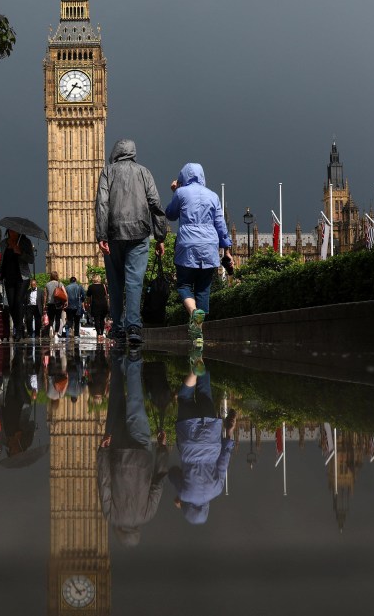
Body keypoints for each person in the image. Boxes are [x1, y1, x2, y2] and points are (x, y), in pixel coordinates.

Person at [95, 139, 167, 345]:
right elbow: (155, 203)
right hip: (139, 234)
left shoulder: (108, 171)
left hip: (113, 234)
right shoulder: (144, 172)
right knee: (135, 282)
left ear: (116, 153)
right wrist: (160, 236)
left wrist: (101, 235)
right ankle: (134, 327)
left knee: (116, 283)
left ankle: (118, 329)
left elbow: (102, 204)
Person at [96, 347, 169, 547]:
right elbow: (104, 482)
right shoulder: (112, 517)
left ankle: (134, 360)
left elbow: (158, 483)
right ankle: (118, 360)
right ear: (120, 533)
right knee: (118, 402)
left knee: (136, 403)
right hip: (118, 454)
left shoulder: (147, 515)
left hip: (142, 455)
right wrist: (102, 452)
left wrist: (162, 449)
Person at [165, 163, 232, 346]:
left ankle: (193, 313)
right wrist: (227, 250)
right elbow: (221, 225)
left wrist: (175, 191)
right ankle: (199, 334)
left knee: (184, 285)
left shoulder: (181, 193)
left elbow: (170, 215)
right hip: (210, 246)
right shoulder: (213, 196)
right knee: (203, 289)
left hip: (187, 244)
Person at [168, 359, 237, 525]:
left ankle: (201, 359)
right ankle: (194, 370)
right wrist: (180, 498)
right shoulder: (185, 494)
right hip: (189, 436)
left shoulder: (217, 490)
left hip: (211, 434)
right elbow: (172, 472)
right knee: (185, 398)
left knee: (205, 393)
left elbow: (224, 461)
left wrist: (229, 433)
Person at [0, 228, 35, 341]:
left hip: (22, 278)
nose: (13, 233)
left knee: (18, 301)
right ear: (8, 232)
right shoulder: (4, 243)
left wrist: (20, 252)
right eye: (11, 231)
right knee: (11, 304)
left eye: (15, 231)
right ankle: (20, 326)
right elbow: (1, 260)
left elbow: (31, 259)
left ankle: (18, 329)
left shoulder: (25, 242)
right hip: (8, 277)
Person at [85, 274, 109, 340]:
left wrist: (88, 304)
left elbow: (88, 297)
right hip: (103, 304)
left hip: (95, 305)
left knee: (96, 320)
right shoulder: (104, 286)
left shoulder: (91, 287)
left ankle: (98, 334)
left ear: (93, 279)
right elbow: (107, 296)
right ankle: (101, 333)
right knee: (102, 319)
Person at [44, 271, 66, 339]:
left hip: (50, 304)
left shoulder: (47, 284)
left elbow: (45, 295)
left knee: (51, 318)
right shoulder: (60, 283)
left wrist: (44, 304)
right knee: (57, 319)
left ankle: (51, 327)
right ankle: (56, 334)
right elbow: (65, 293)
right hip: (58, 304)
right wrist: (66, 301)